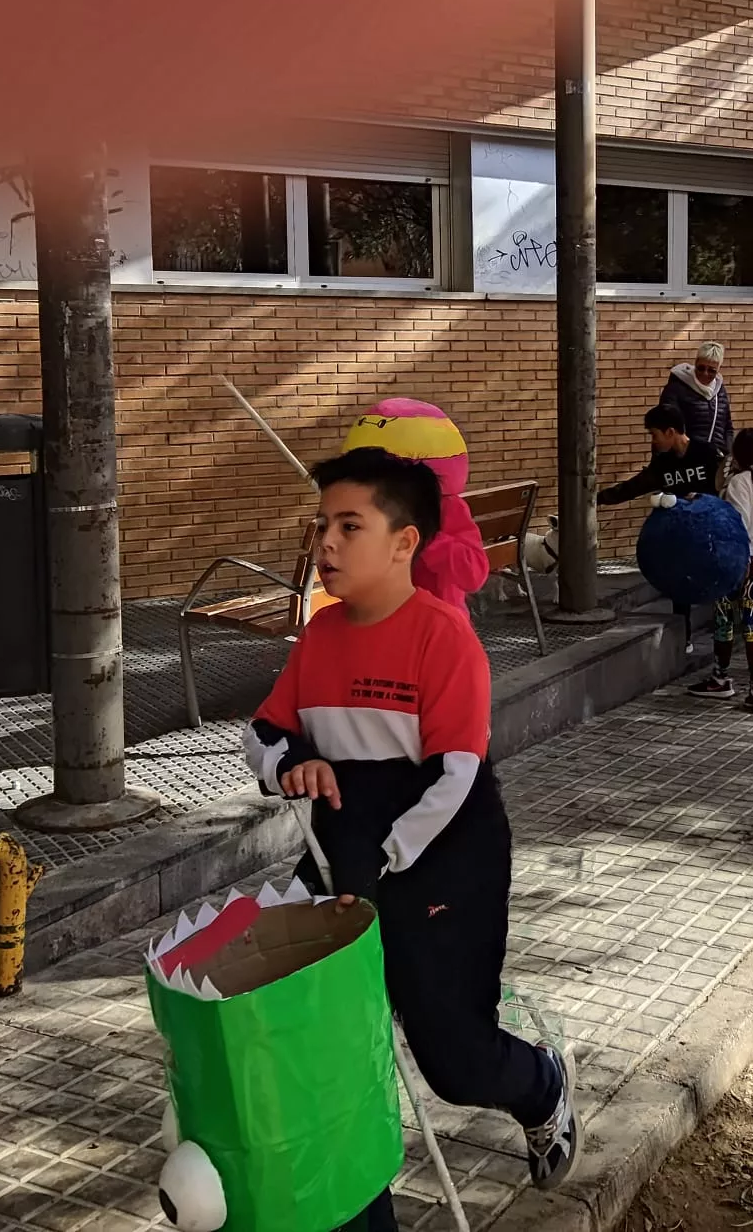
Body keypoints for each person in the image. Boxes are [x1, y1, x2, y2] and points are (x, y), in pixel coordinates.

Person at [244, 448, 579, 1225]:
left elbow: (455, 779)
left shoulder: (443, 639)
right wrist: (293, 761)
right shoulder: (320, 637)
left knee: (454, 1062)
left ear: (405, 543)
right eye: (322, 524)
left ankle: (540, 1084)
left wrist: (382, 856)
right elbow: (262, 734)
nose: (325, 543)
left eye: (348, 525)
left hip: (442, 865)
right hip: (340, 863)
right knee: (324, 1047)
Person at [690, 429, 753, 713]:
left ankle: (721, 678)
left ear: (737, 456)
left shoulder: (736, 485)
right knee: (752, 624)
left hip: (734, 562)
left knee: (723, 617)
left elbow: (735, 524)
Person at [597, 405, 721, 506]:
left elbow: (725, 488)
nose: (653, 441)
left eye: (654, 435)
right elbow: (633, 487)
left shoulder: (707, 453)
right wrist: (597, 499)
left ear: (670, 432)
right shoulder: (662, 462)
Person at [658, 342, 735, 457]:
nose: (705, 373)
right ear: (696, 363)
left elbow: (727, 427)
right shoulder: (676, 389)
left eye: (712, 370)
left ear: (718, 369)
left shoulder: (720, 391)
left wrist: (729, 454)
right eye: (701, 368)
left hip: (716, 461)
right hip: (686, 462)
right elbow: (667, 429)